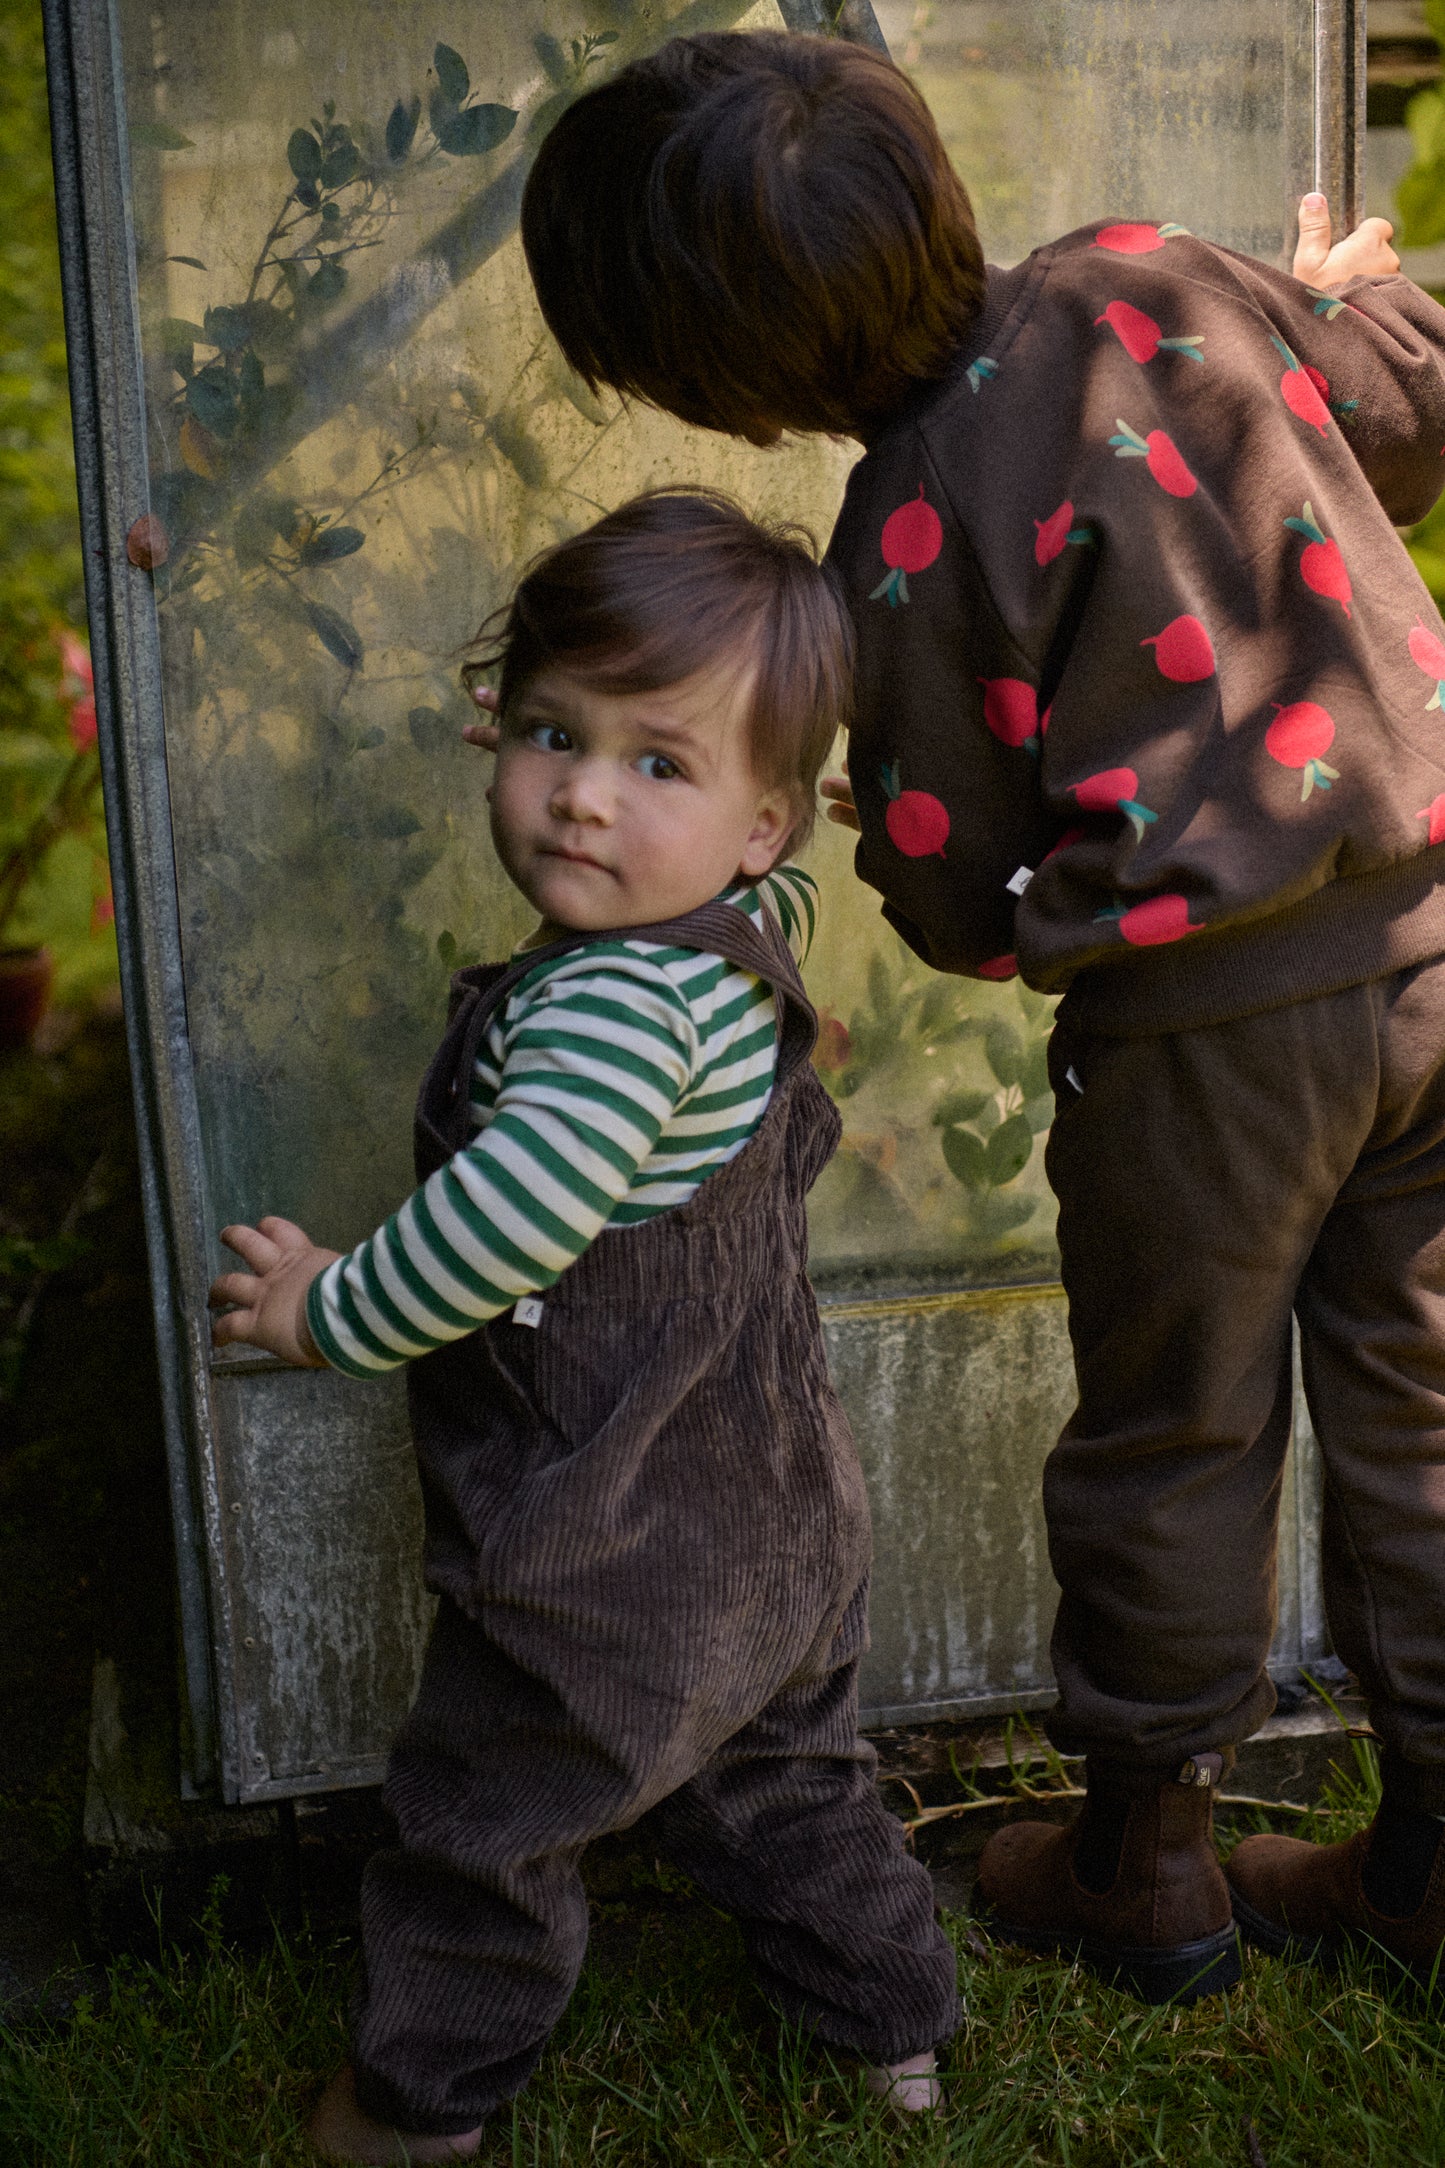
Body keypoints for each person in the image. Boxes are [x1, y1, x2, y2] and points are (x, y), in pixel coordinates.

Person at [516, 27, 1445, 2004]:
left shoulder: (906, 536)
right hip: (1440, 947)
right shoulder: (1157, 277)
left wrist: (953, 860)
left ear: (725, 384)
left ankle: (1147, 1864)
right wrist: (1331, 314)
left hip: (1209, 1045)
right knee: (1429, 1420)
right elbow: (1405, 404)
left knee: (1178, 1432)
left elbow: (951, 901)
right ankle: (1430, 1863)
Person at [209, 489, 959, 2162]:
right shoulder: (731, 947)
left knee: (488, 1819)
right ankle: (888, 2032)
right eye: (551, 734)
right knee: (791, 1779)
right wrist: (665, 767)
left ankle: (417, 2106)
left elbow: (518, 1216)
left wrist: (326, 1308)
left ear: (764, 826)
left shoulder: (609, 1004)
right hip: (775, 1502)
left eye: (656, 765)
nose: (580, 798)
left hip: (598, 1545)